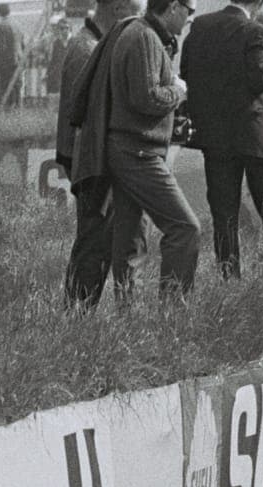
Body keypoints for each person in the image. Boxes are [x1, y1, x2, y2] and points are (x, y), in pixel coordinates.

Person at [70, 0, 200, 300]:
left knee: (130, 240)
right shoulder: (144, 37)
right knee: (185, 229)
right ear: (172, 8)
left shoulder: (137, 33)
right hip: (138, 152)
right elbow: (147, 99)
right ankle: (173, 315)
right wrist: (177, 92)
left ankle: (129, 317)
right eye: (189, 12)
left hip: (128, 149)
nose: (189, 19)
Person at [180, 0, 263, 279]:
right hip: (253, 132)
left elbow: (186, 71)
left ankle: (229, 281)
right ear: (257, 4)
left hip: (214, 135)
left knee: (224, 216)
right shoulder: (254, 30)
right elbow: (258, 80)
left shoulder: (201, 26)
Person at [57, 0, 147, 309]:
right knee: (95, 244)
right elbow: (84, 117)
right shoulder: (88, 48)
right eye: (136, 13)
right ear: (119, 9)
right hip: (93, 162)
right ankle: (77, 315)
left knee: (109, 240)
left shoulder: (93, 43)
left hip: (93, 159)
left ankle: (89, 313)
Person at [0, 3, 25, 108]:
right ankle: (18, 104)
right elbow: (22, 43)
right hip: (18, 58)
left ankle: (9, 105)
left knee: (6, 84)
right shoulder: (17, 24)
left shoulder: (2, 26)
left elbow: (1, 47)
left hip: (7, 60)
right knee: (17, 83)